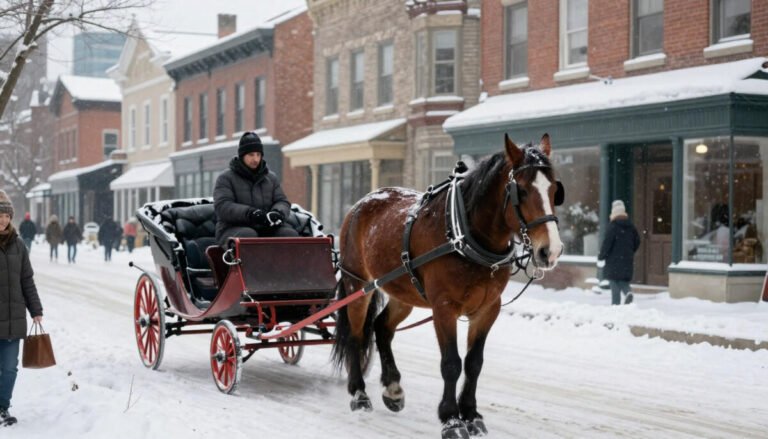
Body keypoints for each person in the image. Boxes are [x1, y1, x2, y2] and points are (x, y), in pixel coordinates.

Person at [0, 190, 44, 427]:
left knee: (9, 369)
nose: (2, 220)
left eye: (6, 215)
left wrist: (35, 310)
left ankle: (2, 407)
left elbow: (27, 280)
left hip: (14, 319)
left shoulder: (18, 245)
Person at [214, 131, 298, 246]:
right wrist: (250, 213)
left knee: (289, 234)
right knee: (248, 236)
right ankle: (244, 264)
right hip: (232, 229)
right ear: (242, 155)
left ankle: (288, 264)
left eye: (258, 155)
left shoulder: (271, 178)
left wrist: (277, 213)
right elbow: (223, 206)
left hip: (266, 228)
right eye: (251, 155)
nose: (255, 159)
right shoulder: (226, 178)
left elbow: (282, 201)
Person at [597, 200, 640, 305]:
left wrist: (601, 256)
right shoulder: (631, 226)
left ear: (613, 212)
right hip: (627, 259)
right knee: (623, 281)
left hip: (613, 260)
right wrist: (630, 251)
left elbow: (607, 243)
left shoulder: (612, 226)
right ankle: (628, 292)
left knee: (614, 281)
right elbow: (637, 241)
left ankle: (615, 305)